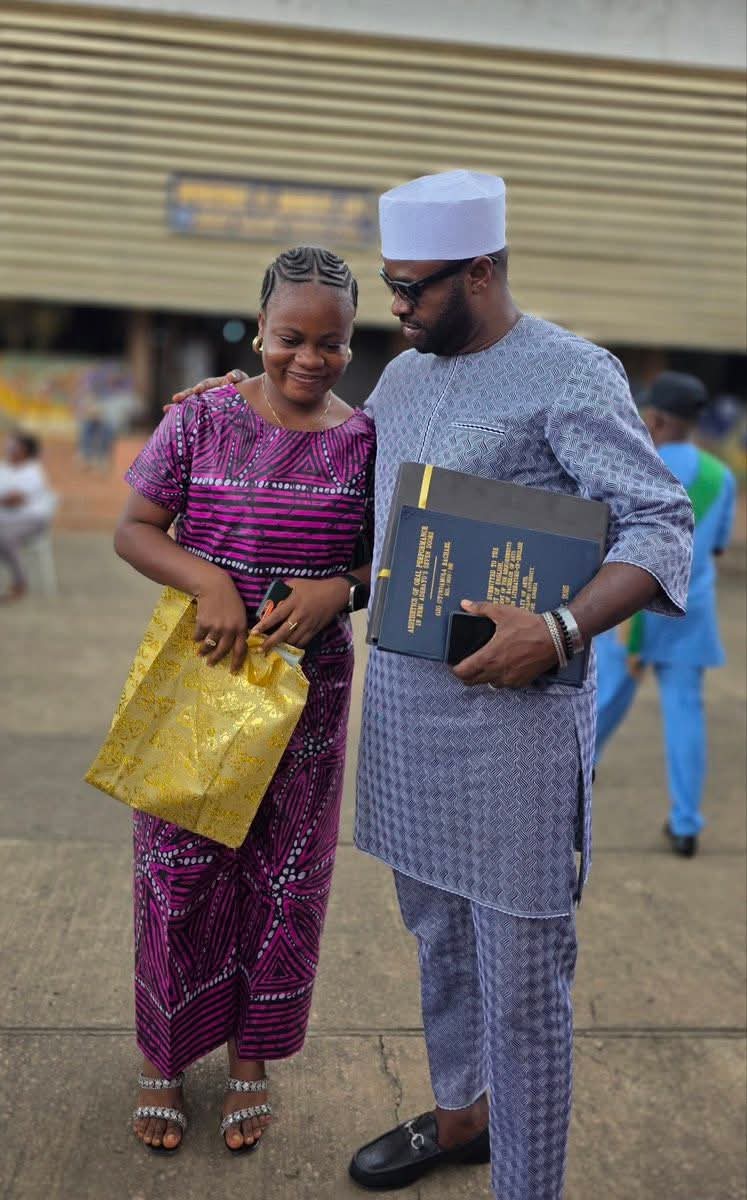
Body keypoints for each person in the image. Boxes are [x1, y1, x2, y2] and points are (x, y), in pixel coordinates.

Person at [175, 171, 693, 1200]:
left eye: (415, 289)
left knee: (522, 984)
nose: (397, 309)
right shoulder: (404, 384)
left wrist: (558, 626)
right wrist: (234, 410)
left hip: (517, 735)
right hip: (412, 724)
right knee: (438, 941)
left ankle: (526, 1186)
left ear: (484, 271)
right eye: (392, 285)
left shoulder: (571, 373)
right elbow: (361, 513)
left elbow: (658, 526)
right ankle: (462, 1119)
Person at [114, 246, 375, 1154]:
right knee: (177, 876)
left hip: (308, 697)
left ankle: (251, 1061)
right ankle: (163, 1058)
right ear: (259, 327)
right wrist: (208, 581)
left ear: (352, 342)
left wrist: (341, 587)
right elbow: (135, 529)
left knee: (284, 880)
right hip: (206, 679)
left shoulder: (366, 439)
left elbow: (386, 557)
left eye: (331, 343)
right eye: (290, 338)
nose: (309, 359)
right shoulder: (202, 420)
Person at [595, 371, 737, 858]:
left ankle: (571, 783)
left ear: (653, 417)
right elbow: (714, 548)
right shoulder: (722, 477)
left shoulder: (635, 465)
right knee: (685, 712)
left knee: (604, 701)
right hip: (690, 611)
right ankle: (686, 824)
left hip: (629, 608)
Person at [0, 430, 57, 601]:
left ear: (24, 449)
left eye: (13, 444)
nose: (8, 447)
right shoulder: (4, 468)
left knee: (5, 537)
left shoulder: (34, 471)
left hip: (32, 519)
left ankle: (20, 582)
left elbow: (14, 500)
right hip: (5, 519)